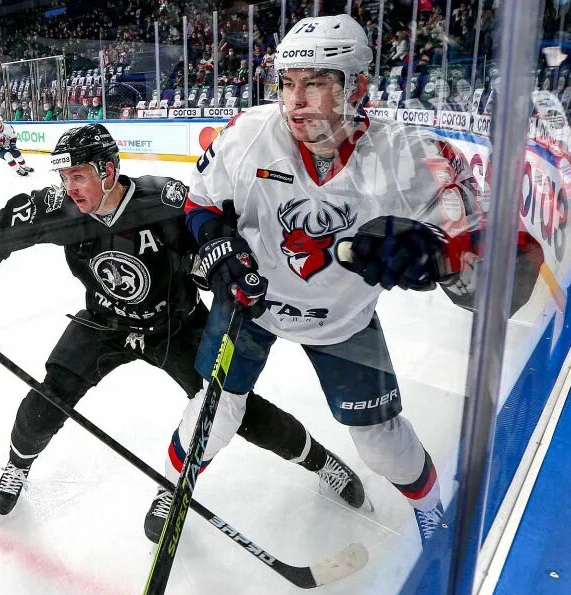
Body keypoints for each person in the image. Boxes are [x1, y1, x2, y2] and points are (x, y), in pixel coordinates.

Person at [0, 124, 367, 539]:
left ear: (109, 170)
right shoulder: (60, 210)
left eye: (78, 176)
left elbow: (221, 235)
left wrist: (224, 268)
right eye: (64, 178)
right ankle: (17, 464)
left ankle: (319, 461)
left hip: (174, 325)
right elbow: (1, 231)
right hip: (103, 324)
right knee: (47, 399)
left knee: (230, 408)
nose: (69, 188)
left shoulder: (167, 201)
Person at [155, 14, 479, 545]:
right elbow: (200, 202)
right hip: (249, 304)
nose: (295, 99)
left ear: (358, 87)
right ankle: (174, 486)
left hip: (343, 319)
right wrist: (217, 240)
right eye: (286, 82)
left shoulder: (412, 157)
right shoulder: (249, 134)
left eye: (316, 83)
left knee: (378, 442)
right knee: (212, 415)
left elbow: (486, 276)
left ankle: (432, 509)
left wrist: (439, 258)